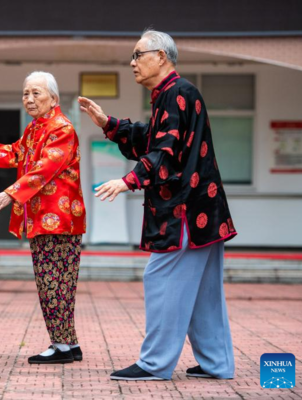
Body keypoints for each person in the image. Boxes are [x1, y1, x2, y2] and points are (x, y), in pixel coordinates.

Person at [78, 29, 237, 381]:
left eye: (138, 54)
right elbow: (151, 138)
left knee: (161, 279)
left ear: (161, 56)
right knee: (203, 293)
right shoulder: (174, 94)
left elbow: (164, 151)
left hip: (184, 211)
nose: (133, 62)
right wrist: (108, 124)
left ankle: (154, 364)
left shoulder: (176, 93)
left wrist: (128, 180)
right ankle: (217, 363)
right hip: (202, 212)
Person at [0, 71, 86, 364]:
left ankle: (61, 346)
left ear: (54, 99)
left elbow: (44, 169)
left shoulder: (61, 128)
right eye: (26, 93)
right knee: (58, 282)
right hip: (47, 217)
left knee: (53, 282)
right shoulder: (36, 128)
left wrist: (10, 194)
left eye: (36, 93)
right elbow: (15, 153)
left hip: (56, 218)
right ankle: (69, 344)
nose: (30, 99)